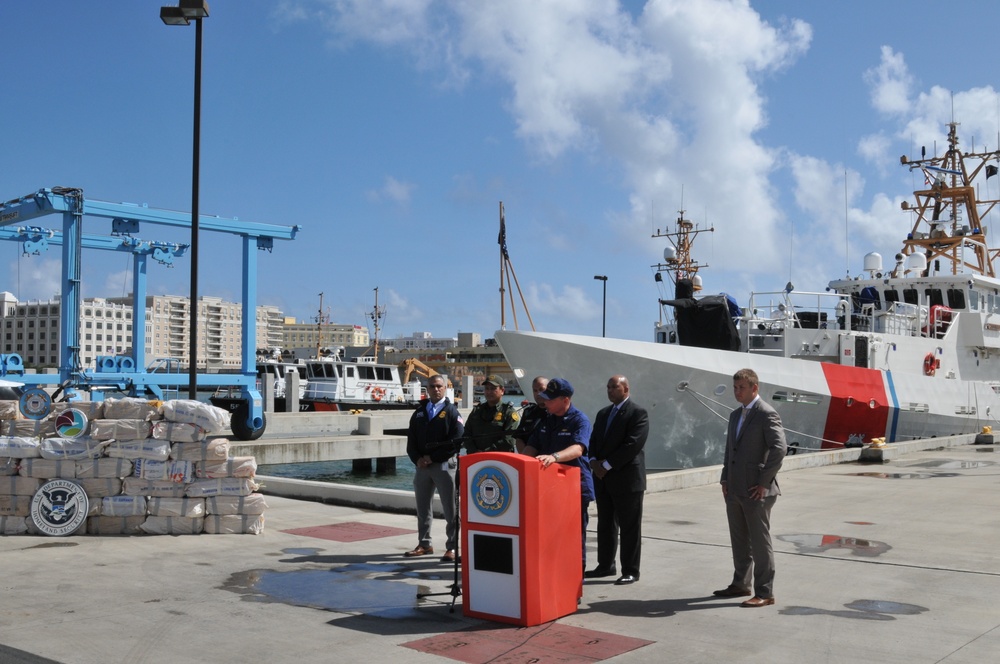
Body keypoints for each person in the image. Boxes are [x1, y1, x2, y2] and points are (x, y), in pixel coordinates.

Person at [714, 368, 787, 607]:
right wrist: (725, 479)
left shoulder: (766, 413)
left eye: (741, 388)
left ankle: (765, 592)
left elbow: (779, 449)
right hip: (735, 488)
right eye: (735, 387)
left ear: (754, 388)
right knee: (739, 540)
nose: (736, 392)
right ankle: (740, 584)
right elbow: (729, 450)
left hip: (757, 490)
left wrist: (764, 482)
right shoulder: (736, 415)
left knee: (759, 543)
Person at [522, 377, 594, 569]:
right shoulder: (546, 420)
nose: (545, 402)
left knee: (573, 536)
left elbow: (578, 449)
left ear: (565, 400)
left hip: (574, 487)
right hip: (548, 488)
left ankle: (574, 583)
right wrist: (519, 463)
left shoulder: (580, 420)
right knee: (550, 536)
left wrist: (554, 456)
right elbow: (532, 446)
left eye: (550, 399)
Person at [586, 375, 649, 586]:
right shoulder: (603, 413)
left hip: (627, 479)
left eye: (614, 387)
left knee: (629, 526)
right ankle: (605, 565)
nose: (610, 390)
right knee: (605, 524)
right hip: (603, 479)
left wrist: (606, 465)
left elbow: (632, 445)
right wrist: (593, 461)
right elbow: (593, 440)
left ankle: (631, 570)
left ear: (626, 389)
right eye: (608, 387)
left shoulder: (637, 413)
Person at [404, 375, 464, 563]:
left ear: (445, 388)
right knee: (423, 508)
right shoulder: (420, 412)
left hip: (445, 466)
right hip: (422, 467)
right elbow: (411, 439)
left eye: (439, 386)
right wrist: (417, 459)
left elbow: (457, 441)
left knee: (451, 509)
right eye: (432, 386)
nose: (436, 389)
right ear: (427, 389)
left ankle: (452, 547)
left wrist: (434, 457)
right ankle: (424, 544)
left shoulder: (452, 412)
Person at [463, 375, 519, 453]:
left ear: (502, 390)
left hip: (499, 459)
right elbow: (466, 434)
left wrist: (487, 452)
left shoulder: (509, 412)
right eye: (487, 388)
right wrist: (474, 450)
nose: (489, 392)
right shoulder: (477, 411)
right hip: (475, 458)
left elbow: (509, 440)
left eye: (493, 389)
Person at [513, 376, 548, 453]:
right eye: (535, 391)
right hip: (528, 457)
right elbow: (519, 438)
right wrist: (526, 458)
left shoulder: (555, 412)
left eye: (541, 390)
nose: (538, 393)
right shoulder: (528, 412)